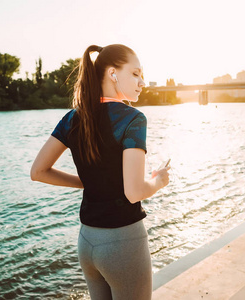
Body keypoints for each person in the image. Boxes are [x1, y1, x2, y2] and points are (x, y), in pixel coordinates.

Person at [30, 44, 170, 300]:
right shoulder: (132, 119)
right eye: (136, 74)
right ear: (113, 73)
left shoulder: (72, 118)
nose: (142, 82)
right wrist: (158, 181)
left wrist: (89, 183)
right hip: (123, 243)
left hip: (87, 243)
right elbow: (134, 192)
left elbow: (38, 171)